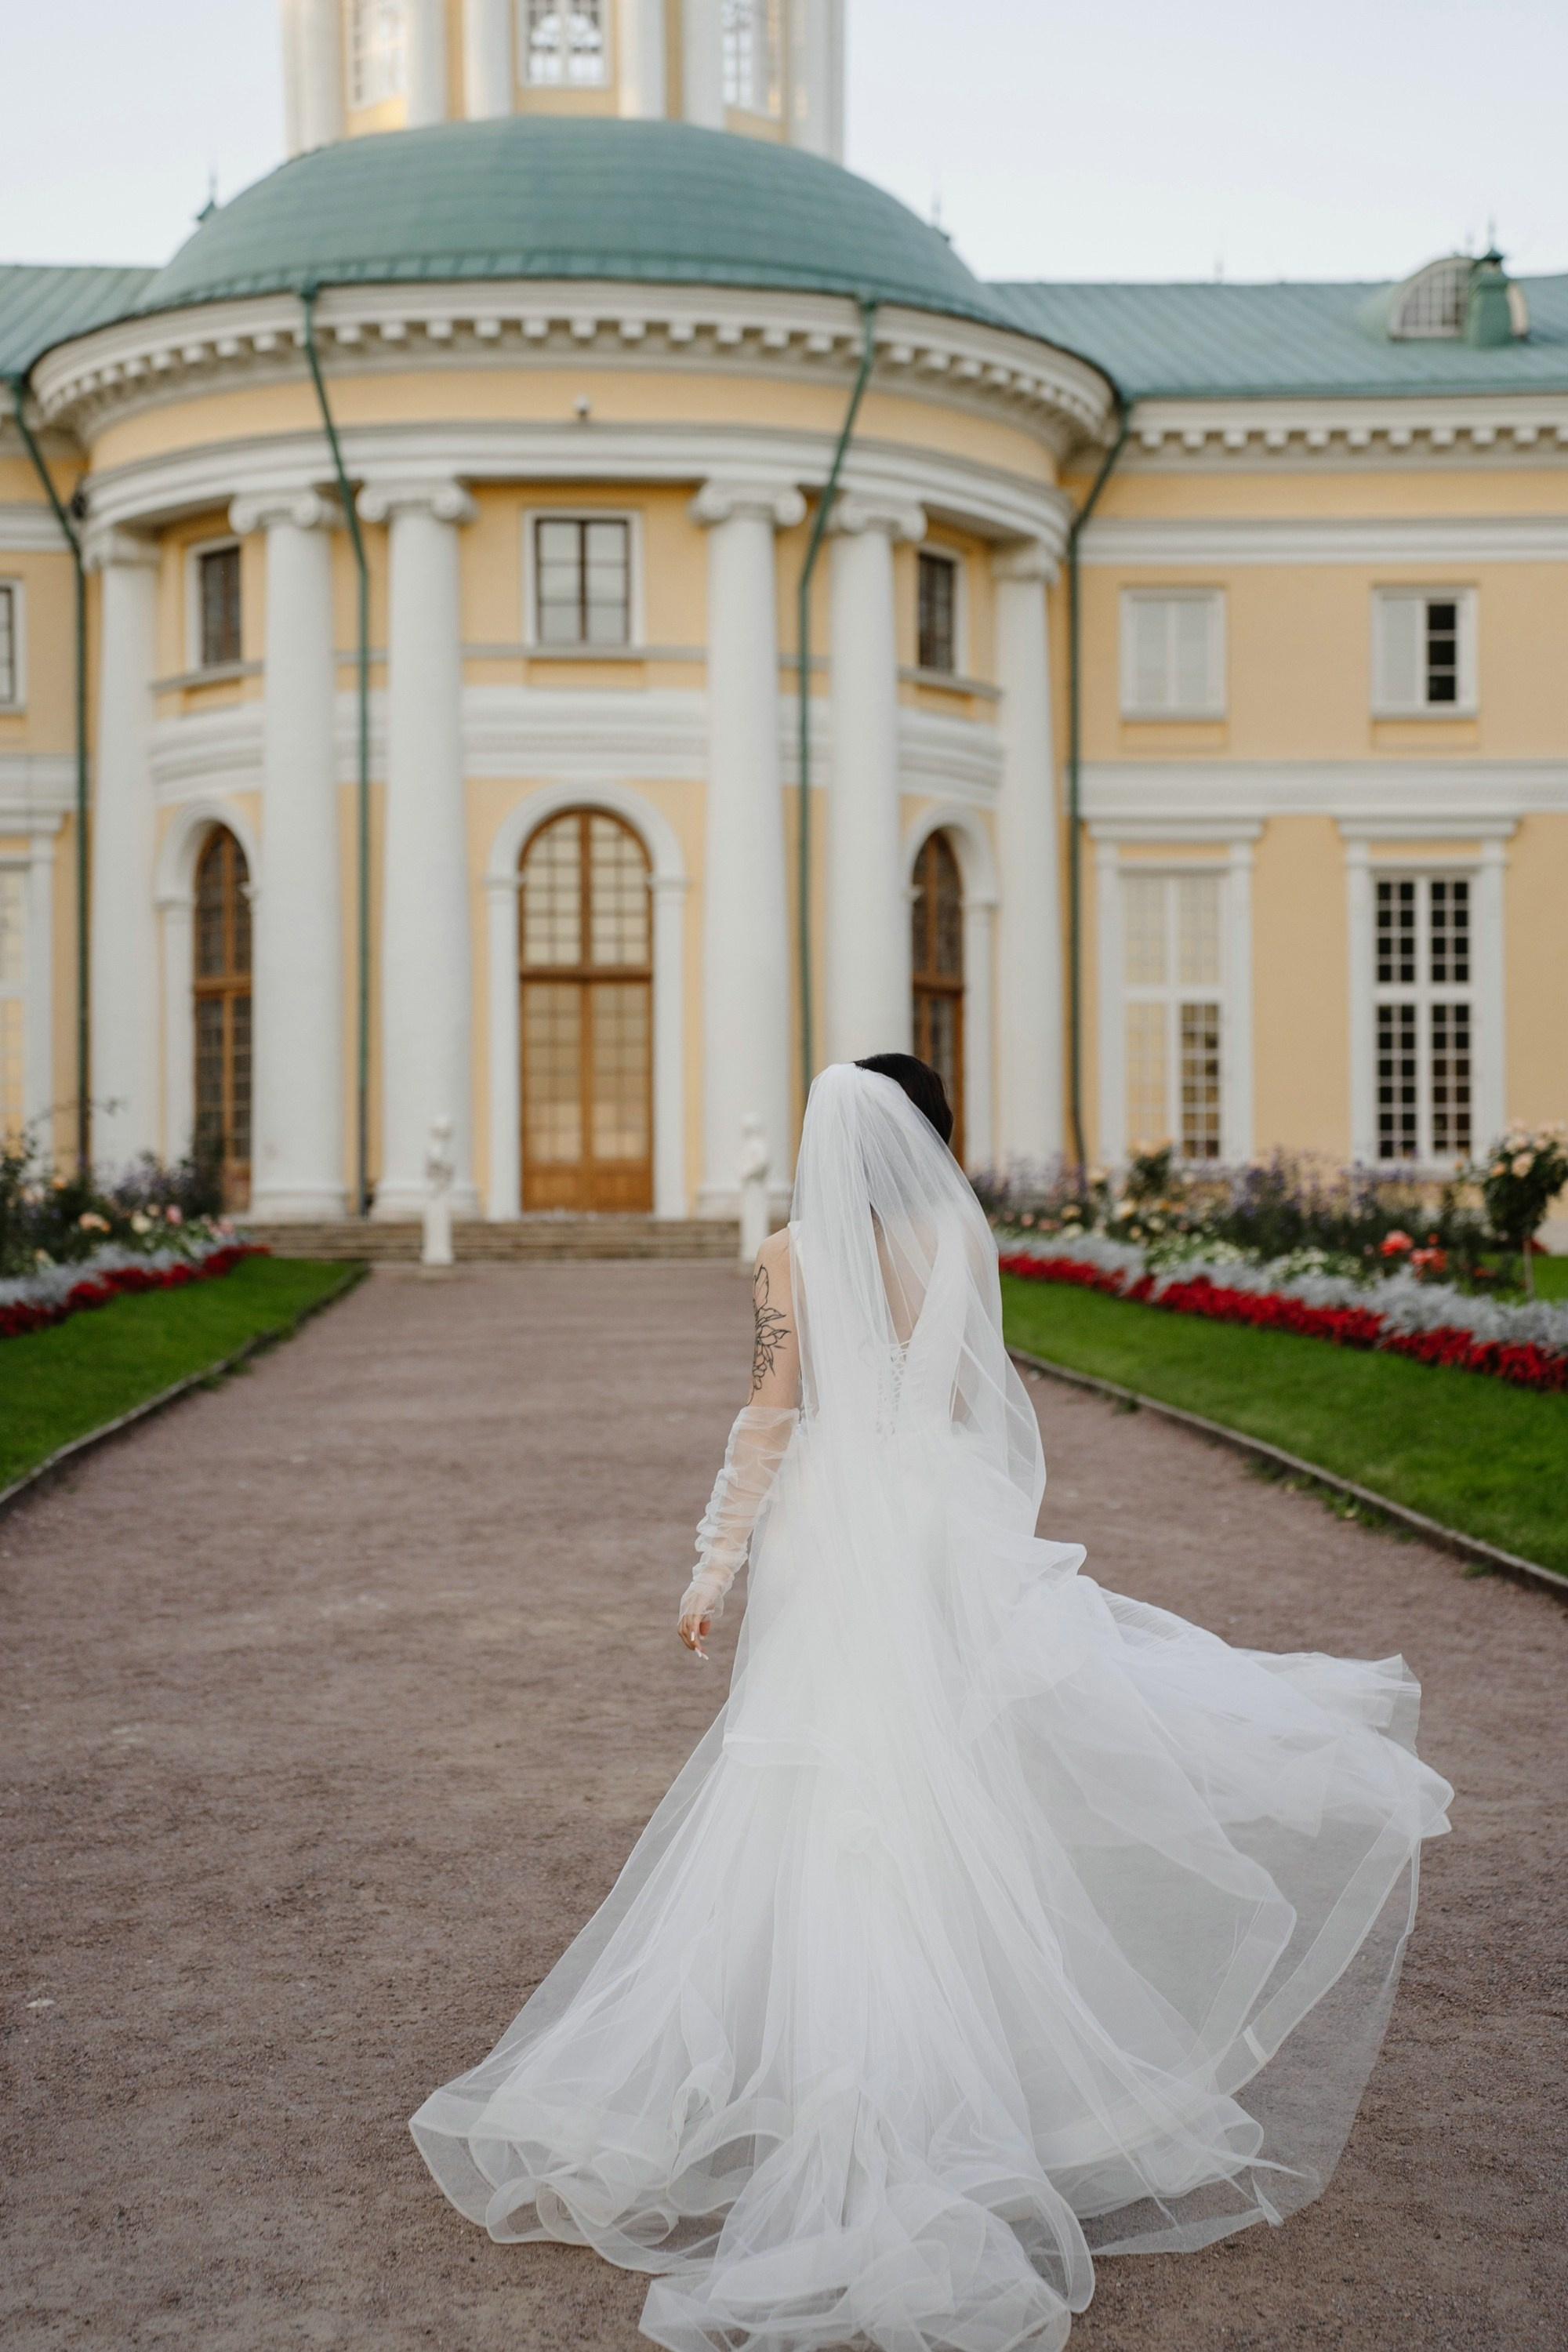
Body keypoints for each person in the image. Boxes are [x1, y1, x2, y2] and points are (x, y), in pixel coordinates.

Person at [411, 1056, 1452, 2352]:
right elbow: (976, 1405)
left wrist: (712, 1568)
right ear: (929, 1139)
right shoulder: (960, 1235)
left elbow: (767, 1418)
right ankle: (981, 2093)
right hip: (935, 1533)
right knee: (951, 1794)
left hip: (831, 1547)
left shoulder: (786, 1256)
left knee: (817, 1794)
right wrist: (969, 1541)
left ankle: (830, 2097)